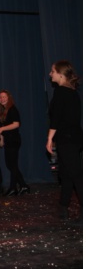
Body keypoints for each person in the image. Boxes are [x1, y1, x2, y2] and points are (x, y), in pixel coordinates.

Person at [47, 60, 82, 222]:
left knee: (76, 175)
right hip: (73, 138)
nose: (50, 74)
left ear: (61, 74)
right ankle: (63, 207)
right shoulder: (73, 92)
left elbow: (56, 118)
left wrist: (49, 138)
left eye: (53, 71)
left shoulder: (61, 91)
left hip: (67, 139)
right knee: (66, 174)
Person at [0, 90, 30, 196]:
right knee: (11, 165)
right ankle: (21, 186)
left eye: (4, 97)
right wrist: (2, 139)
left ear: (9, 98)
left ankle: (15, 187)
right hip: (9, 140)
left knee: (12, 165)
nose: (2, 99)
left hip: (14, 140)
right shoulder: (4, 111)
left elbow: (16, 124)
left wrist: (2, 129)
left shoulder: (12, 109)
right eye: (0, 97)